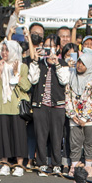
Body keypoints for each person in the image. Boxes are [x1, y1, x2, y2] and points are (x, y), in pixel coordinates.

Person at [0, 40, 31, 176]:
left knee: (19, 136)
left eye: (7, 50)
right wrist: (0, 71)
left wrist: (16, 73)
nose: (4, 53)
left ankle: (19, 165)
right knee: (3, 137)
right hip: (1, 107)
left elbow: (26, 86)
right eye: (3, 49)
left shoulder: (22, 66)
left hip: (17, 107)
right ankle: (4, 164)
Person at [28, 35, 66, 175]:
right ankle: (42, 164)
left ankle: (56, 164)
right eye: (47, 48)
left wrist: (56, 63)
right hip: (41, 105)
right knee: (41, 136)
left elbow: (64, 80)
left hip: (58, 106)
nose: (50, 51)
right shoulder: (39, 63)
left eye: (52, 47)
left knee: (57, 137)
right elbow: (32, 80)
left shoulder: (63, 63)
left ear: (57, 48)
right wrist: (35, 61)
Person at [64, 52, 92, 177]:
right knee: (75, 142)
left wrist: (84, 117)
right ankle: (74, 165)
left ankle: (88, 166)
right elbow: (68, 96)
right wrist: (72, 114)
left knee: (89, 142)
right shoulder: (72, 77)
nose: (79, 65)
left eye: (83, 63)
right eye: (79, 62)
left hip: (90, 118)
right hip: (75, 117)